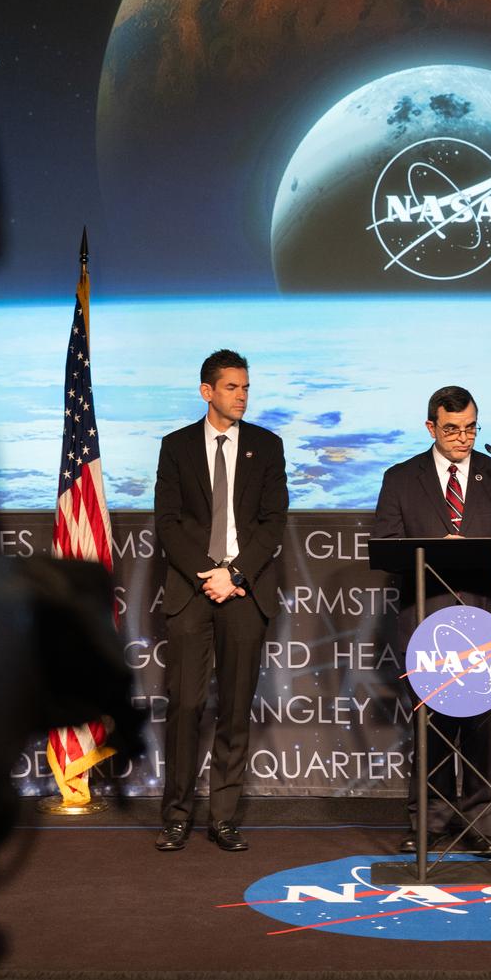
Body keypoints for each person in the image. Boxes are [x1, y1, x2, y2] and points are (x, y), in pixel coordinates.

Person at [370, 385, 491, 855]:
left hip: (486, 621)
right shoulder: (401, 478)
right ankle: (431, 823)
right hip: (427, 622)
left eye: (470, 428)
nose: (463, 438)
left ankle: (483, 824)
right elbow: (386, 544)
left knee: (483, 728)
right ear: (430, 427)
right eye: (452, 429)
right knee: (433, 730)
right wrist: (436, 548)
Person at [153, 350, 289, 853]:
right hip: (192, 590)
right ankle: (177, 814)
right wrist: (206, 574)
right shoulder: (176, 447)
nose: (242, 397)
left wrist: (233, 574)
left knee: (234, 708)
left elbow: (274, 521)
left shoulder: (267, 446)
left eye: (246, 387)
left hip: (244, 590)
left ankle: (225, 818)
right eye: (232, 387)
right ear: (207, 391)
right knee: (186, 705)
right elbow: (167, 521)